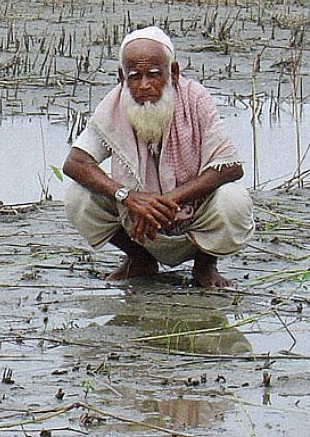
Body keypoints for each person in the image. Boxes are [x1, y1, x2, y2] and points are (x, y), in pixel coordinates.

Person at [63, 26, 254, 288]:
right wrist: (128, 197)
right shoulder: (114, 105)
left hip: (194, 217)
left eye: (153, 75)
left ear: (172, 72)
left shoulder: (195, 98)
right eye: (134, 76)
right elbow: (75, 162)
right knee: (78, 196)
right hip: (139, 225)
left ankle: (205, 266)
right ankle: (139, 260)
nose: (144, 86)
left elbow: (230, 167)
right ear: (122, 77)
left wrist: (165, 202)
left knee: (233, 199)